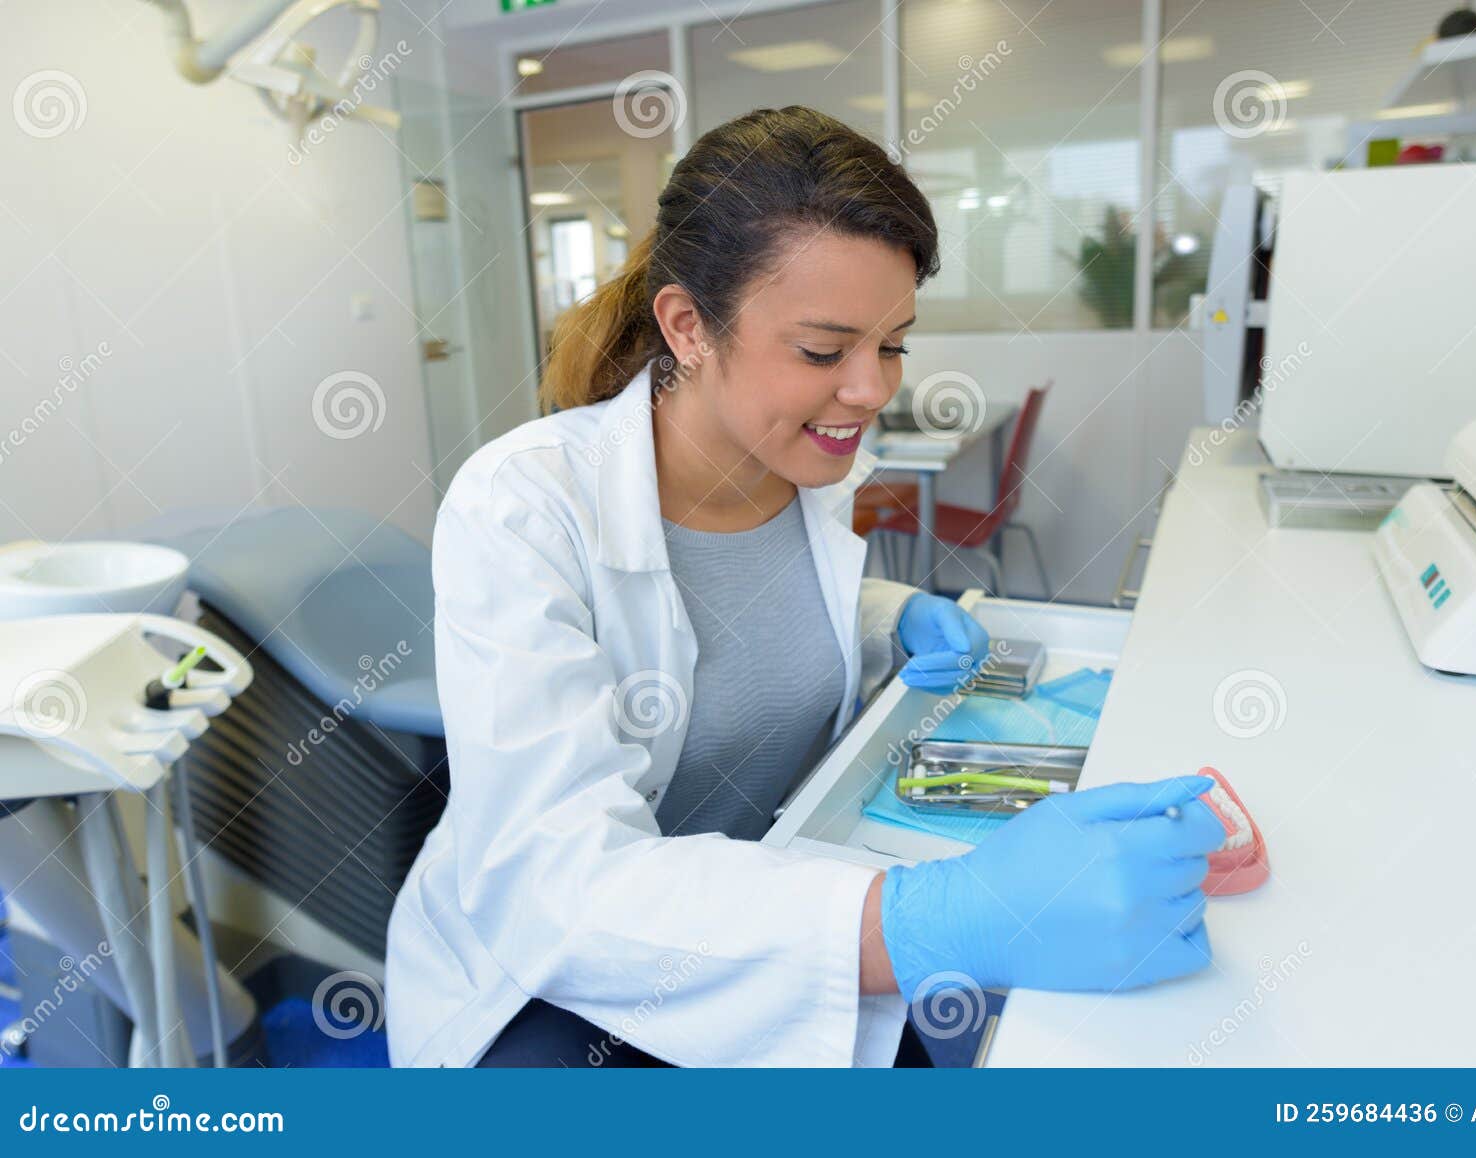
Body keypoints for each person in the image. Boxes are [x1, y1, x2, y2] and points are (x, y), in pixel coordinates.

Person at [385, 106, 1223, 1068]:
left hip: (779, 907)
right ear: (689, 326)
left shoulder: (806, 473)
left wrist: (884, 618)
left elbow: (728, 619)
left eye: (894, 343)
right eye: (824, 352)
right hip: (558, 982)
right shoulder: (524, 503)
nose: (871, 389)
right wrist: (931, 918)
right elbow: (559, 884)